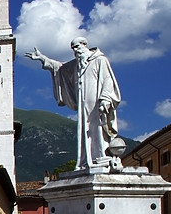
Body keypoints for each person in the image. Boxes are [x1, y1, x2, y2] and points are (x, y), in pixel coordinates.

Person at [26, 38, 122, 170]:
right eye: (73, 48)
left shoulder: (99, 60)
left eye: (77, 47)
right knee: (85, 130)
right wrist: (43, 59)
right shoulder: (77, 65)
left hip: (97, 102)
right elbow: (60, 68)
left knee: (98, 128)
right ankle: (86, 160)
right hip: (83, 104)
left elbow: (107, 79)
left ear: (85, 45)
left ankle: (102, 156)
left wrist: (105, 98)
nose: (75, 51)